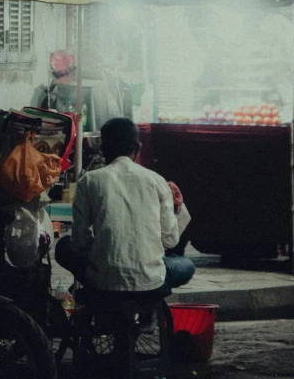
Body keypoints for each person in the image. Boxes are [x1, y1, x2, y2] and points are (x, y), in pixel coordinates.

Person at [55, 117, 195, 296]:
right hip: (150, 282)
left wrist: (102, 251)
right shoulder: (157, 181)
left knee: (63, 247)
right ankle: (147, 317)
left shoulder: (89, 181)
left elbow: (80, 240)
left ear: (103, 148)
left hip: (103, 281)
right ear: (138, 148)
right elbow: (170, 241)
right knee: (186, 265)